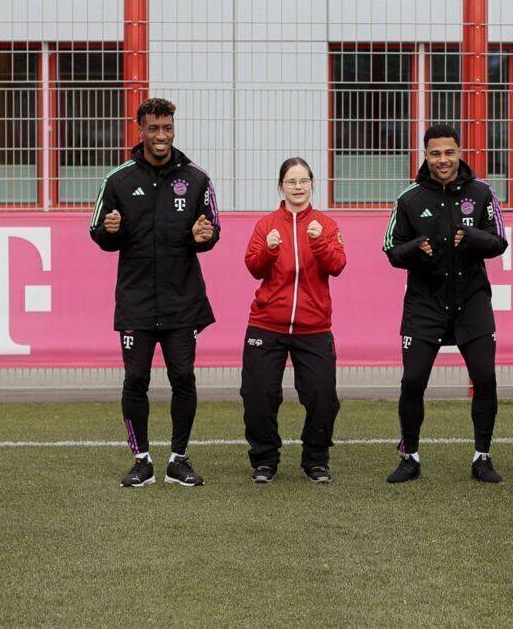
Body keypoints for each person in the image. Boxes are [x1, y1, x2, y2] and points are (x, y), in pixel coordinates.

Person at [89, 97, 220, 488]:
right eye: (153, 129)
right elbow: (98, 233)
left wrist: (205, 237)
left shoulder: (196, 178)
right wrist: (110, 231)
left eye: (167, 129)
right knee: (136, 380)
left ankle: (178, 459)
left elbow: (211, 229)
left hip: (183, 303)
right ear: (140, 130)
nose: (160, 136)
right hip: (137, 303)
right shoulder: (119, 180)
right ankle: (141, 459)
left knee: (184, 378)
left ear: (173, 130)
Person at [382, 123, 509, 484]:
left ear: (459, 152)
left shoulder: (482, 192)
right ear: (425, 155)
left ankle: (482, 457)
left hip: (472, 301)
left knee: (485, 379)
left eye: (449, 152)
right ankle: (410, 457)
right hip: (425, 304)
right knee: (413, 381)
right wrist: (414, 247)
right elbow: (391, 247)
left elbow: (499, 241)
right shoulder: (409, 198)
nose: (443, 160)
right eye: (435, 153)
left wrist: (471, 237)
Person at [240, 157, 346, 485]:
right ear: (280, 187)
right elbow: (254, 267)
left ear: (313, 184)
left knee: (321, 394)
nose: (297, 187)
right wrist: (270, 250)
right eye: (291, 181)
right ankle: (265, 460)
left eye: (303, 181)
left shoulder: (326, 225)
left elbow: (338, 264)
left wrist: (318, 240)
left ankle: (315, 460)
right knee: (258, 394)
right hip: (267, 324)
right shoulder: (267, 225)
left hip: (314, 327)